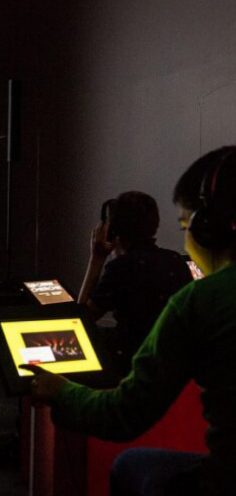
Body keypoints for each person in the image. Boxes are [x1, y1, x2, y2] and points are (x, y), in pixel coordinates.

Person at [25, 146, 236, 496]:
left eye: (187, 225)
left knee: (130, 464)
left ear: (209, 229)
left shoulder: (198, 301)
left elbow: (124, 413)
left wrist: (61, 392)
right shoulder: (175, 263)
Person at [78, 191, 192, 375]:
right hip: (173, 369)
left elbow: (80, 321)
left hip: (132, 367)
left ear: (111, 230)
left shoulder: (122, 267)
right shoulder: (175, 260)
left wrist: (96, 259)